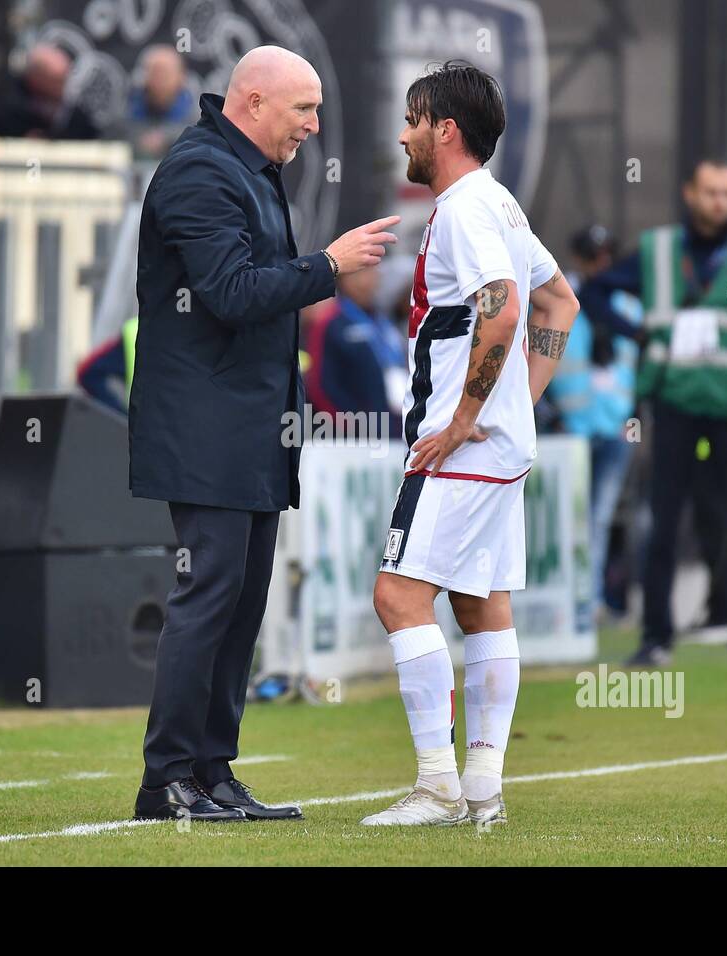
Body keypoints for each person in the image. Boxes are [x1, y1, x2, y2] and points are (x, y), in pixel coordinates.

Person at [128, 45, 401, 822]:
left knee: (242, 601)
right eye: (303, 109)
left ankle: (213, 771)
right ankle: (166, 779)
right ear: (253, 103)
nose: (313, 125)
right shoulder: (199, 172)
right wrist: (328, 265)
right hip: (206, 428)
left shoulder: (248, 171)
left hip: (251, 428)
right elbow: (231, 292)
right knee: (210, 592)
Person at [365, 61, 579, 827]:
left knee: (397, 596)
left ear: (445, 130)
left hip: (461, 446)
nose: (404, 136)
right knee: (481, 604)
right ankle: (483, 785)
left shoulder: (464, 208)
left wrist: (464, 417)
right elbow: (560, 300)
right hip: (498, 445)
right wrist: (520, 400)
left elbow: (505, 306)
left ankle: (438, 786)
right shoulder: (500, 203)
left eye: (413, 120)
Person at [581, 158, 727, 665]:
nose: (720, 203)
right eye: (711, 192)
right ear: (689, 193)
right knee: (663, 519)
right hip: (672, 401)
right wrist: (636, 333)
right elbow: (594, 290)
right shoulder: (658, 251)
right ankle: (655, 637)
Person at [552, 224, 641, 616]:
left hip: (614, 426)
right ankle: (563, 602)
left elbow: (635, 367)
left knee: (600, 518)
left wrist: (632, 419)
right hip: (571, 427)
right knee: (566, 517)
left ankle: (587, 604)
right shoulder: (559, 300)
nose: (600, 263)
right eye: (592, 256)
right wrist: (551, 414)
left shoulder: (628, 306)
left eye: (606, 256)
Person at [304, 266, 408, 439]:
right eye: (358, 274)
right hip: (351, 438)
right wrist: (354, 426)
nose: (366, 281)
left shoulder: (383, 320)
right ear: (343, 279)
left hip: (392, 431)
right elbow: (319, 385)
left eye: (371, 273)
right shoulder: (329, 322)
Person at [0, 43, 99, 141]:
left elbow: (87, 138)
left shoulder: (74, 113)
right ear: (35, 78)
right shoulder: (10, 104)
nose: (61, 88)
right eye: (55, 81)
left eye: (63, 80)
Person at [122, 44, 196, 160]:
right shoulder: (126, 113)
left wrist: (165, 138)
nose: (160, 79)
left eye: (165, 73)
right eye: (154, 72)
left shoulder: (197, 119)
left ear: (181, 76)